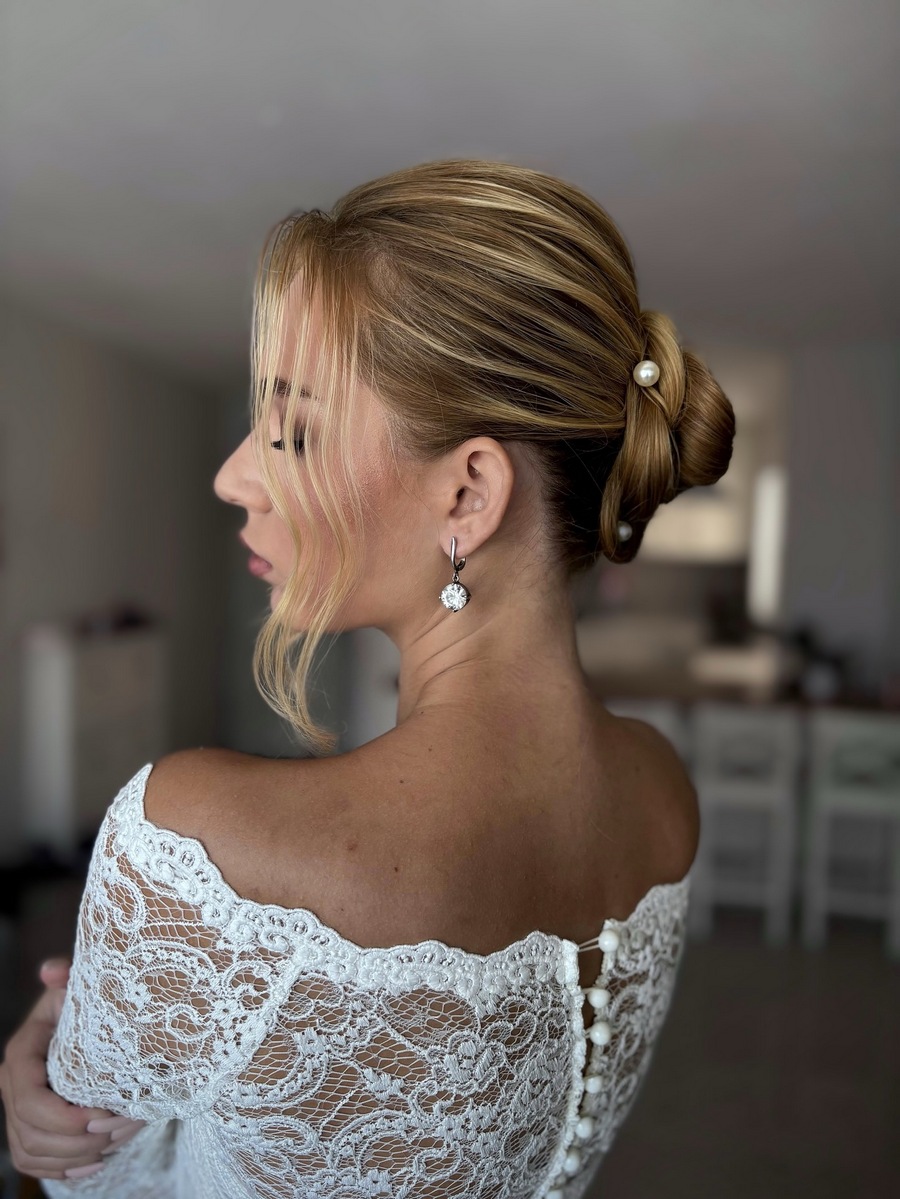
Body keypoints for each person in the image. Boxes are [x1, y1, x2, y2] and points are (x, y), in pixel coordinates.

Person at [0, 157, 734, 1196]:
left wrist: (44, 1063)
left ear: (469, 495)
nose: (234, 475)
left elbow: (99, 1177)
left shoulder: (204, 848)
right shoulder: (663, 793)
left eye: (293, 429)